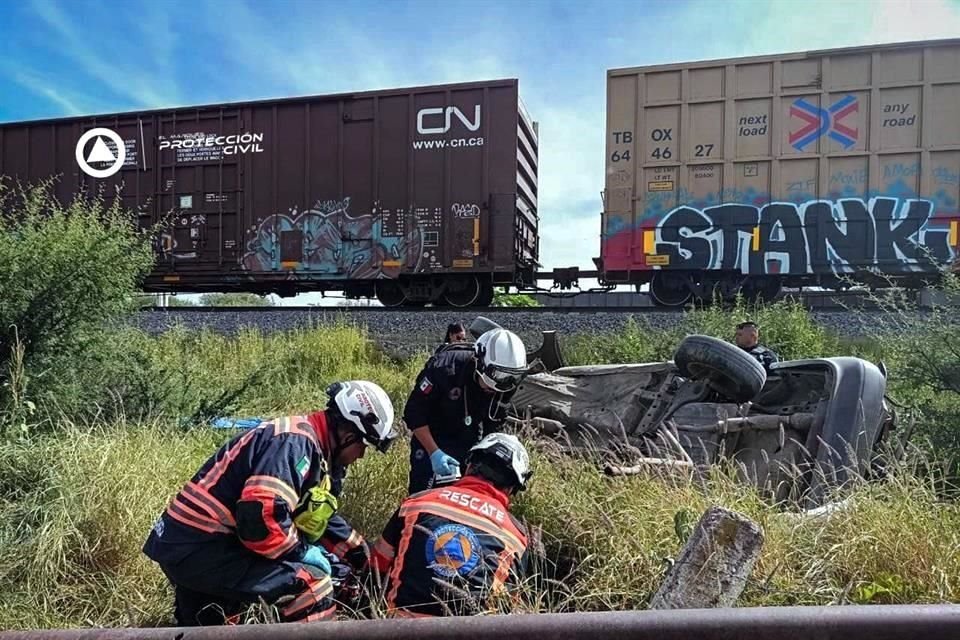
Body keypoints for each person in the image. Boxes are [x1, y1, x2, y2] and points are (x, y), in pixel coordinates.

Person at [142, 380, 397, 626]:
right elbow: (261, 519)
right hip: (204, 548)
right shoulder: (294, 443)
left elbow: (313, 515)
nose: (362, 455)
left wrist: (359, 553)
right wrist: (302, 554)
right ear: (348, 434)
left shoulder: (308, 442)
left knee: (210, 627)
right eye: (364, 445)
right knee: (312, 583)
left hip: (187, 544)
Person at [370, 433, 532, 617]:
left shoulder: (415, 503)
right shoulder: (516, 537)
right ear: (512, 488)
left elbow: (376, 568)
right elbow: (508, 605)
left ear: (469, 466)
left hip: (395, 630)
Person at [404, 327, 528, 495]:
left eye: (507, 378)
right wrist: (434, 453)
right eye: (496, 375)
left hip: (469, 437)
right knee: (423, 494)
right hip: (432, 436)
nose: (497, 387)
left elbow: (495, 423)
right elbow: (414, 412)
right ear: (480, 362)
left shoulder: (506, 384)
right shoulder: (445, 367)